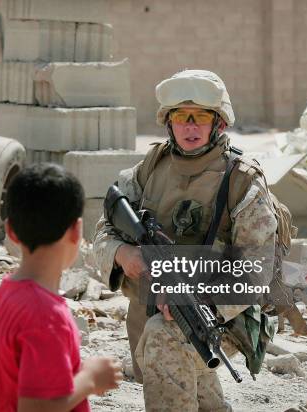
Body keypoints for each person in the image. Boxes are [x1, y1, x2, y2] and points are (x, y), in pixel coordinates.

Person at [93, 69, 279, 411]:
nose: (190, 126)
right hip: (151, 308)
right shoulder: (150, 168)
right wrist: (122, 253)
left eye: (201, 117)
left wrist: (200, 299)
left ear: (218, 123)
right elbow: (104, 228)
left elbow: (255, 271)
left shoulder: (241, 181)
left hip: (224, 318)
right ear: (169, 121)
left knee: (166, 343)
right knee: (169, 352)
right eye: (181, 116)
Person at [0, 163, 123, 412]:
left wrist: (69, 374)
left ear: (10, 231)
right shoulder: (47, 316)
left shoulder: (2, 295)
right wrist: (89, 379)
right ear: (77, 231)